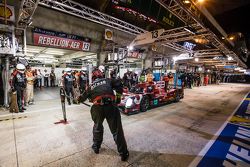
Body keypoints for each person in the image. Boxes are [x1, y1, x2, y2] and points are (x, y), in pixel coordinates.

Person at [79, 68, 129, 161]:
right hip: (111, 105)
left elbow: (81, 98)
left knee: (97, 127)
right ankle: (123, 153)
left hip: (97, 107)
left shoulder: (90, 86)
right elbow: (119, 85)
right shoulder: (108, 80)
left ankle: (96, 147)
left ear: (93, 78)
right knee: (117, 130)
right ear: (102, 75)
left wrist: (78, 99)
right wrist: (117, 99)